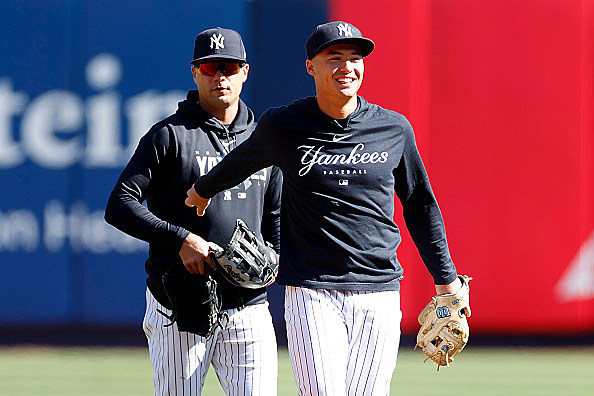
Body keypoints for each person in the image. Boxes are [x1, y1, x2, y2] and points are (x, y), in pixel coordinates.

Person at [186, 21, 470, 395]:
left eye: (355, 59)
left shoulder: (392, 128)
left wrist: (446, 279)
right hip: (311, 289)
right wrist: (203, 190)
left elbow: (420, 204)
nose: (346, 67)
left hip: (378, 289)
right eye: (334, 58)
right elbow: (243, 160)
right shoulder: (285, 125)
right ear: (310, 66)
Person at [105, 27, 282, 395]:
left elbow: (276, 215)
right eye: (210, 67)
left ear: (244, 72)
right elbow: (119, 204)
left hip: (248, 304)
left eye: (229, 67)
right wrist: (181, 238)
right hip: (179, 304)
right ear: (195, 72)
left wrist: (275, 258)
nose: (220, 76)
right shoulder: (169, 135)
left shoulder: (264, 141)